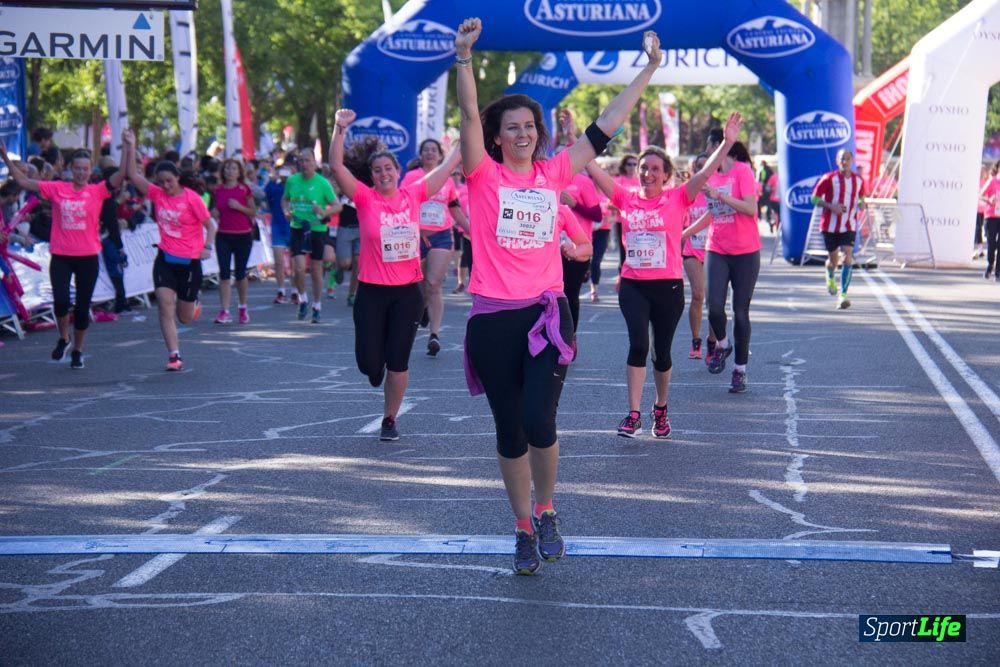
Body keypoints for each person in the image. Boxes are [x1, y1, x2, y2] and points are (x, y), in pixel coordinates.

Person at [455, 17, 647, 575]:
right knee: (509, 429)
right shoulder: (483, 176)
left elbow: (606, 124)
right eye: (511, 127)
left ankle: (546, 511)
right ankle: (520, 527)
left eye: (529, 126)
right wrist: (463, 57)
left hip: (546, 312)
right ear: (496, 137)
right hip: (493, 318)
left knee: (540, 418)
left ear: (539, 133)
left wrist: (649, 69)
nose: (522, 133)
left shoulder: (555, 172)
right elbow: (469, 114)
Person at [586, 118, 738, 438]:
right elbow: (592, 167)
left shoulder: (678, 198)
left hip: (667, 287)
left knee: (662, 353)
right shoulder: (625, 197)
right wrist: (578, 137)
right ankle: (633, 413)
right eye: (644, 167)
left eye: (655, 168)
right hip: (633, 286)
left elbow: (705, 173)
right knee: (639, 344)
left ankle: (661, 407)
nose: (648, 173)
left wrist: (726, 143)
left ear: (666, 174)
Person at [330, 109, 456, 441]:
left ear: (399, 172)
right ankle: (375, 369)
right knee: (370, 365)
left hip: (406, 293)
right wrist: (339, 129)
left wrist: (461, 141)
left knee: (398, 362)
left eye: (389, 168)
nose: (384, 173)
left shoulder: (413, 194)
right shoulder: (364, 198)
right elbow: (337, 167)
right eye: (377, 170)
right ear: (371, 176)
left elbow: (446, 168)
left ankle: (390, 419)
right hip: (371, 292)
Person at [1, 140, 125, 369]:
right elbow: (24, 181)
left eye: (85, 169)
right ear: (70, 168)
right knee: (60, 301)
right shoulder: (58, 188)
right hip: (61, 256)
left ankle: (77, 350)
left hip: (88, 257)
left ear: (90, 171)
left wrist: (127, 146)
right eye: (77, 168)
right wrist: (5, 156)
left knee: (81, 307)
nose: (81, 172)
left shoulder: (97, 191)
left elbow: (122, 174)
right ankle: (63, 338)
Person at [122, 129, 215, 371]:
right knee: (164, 304)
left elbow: (210, 226)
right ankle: (174, 355)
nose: (165, 186)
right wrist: (130, 146)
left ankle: (193, 302)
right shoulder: (156, 194)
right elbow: (132, 174)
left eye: (169, 181)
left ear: (177, 178)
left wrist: (207, 247)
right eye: (161, 182)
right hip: (165, 257)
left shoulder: (192, 199)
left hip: (190, 261)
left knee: (185, 317)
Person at [701, 131, 761, 393]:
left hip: (746, 251)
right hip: (717, 247)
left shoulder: (742, 171)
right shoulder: (707, 174)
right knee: (713, 307)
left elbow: (751, 209)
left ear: (720, 146)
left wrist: (720, 196)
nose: (709, 154)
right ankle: (723, 344)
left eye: (710, 147)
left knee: (740, 312)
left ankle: (740, 370)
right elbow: (703, 210)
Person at [400, 138, 468, 356]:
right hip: (415, 236)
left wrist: (474, 231)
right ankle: (423, 308)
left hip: (441, 236)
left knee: (434, 283)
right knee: (417, 285)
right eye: (425, 150)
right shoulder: (411, 177)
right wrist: (415, 229)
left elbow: (455, 209)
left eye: (434, 150)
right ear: (420, 155)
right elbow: (401, 203)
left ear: (440, 155)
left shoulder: (447, 180)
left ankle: (434, 335)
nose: (430, 153)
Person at [283, 150, 340, 323]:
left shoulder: (322, 183)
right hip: (298, 227)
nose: (304, 164)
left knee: (316, 269)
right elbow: (285, 199)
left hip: (317, 229)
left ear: (315, 163)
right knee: (298, 269)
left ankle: (316, 305)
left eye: (307, 160)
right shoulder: (292, 180)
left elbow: (337, 206)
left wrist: (323, 211)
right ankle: (303, 299)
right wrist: (286, 210)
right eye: (301, 161)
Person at [812, 149, 866, 309]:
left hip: (849, 225)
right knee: (833, 261)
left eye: (848, 159)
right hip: (829, 226)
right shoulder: (829, 178)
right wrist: (831, 206)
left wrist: (863, 203)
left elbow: (862, 196)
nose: (845, 162)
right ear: (837, 161)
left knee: (848, 257)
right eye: (842, 159)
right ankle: (830, 275)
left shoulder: (859, 181)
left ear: (853, 161)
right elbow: (814, 198)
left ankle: (843, 295)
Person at [212, 159, 257, 324]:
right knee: (224, 274)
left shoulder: (244, 189)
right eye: (227, 168)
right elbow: (215, 209)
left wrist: (239, 207)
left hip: (243, 235)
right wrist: (214, 212)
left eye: (233, 168)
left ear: (239, 172)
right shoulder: (218, 190)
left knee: (240, 274)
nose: (230, 171)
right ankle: (224, 311)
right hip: (223, 235)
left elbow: (253, 212)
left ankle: (243, 307)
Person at [680, 153, 715, 361]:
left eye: (707, 166)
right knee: (698, 295)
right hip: (692, 250)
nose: (704, 171)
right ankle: (696, 339)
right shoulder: (688, 193)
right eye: (700, 167)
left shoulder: (718, 191)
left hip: (715, 250)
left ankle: (712, 341)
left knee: (714, 301)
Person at [265, 162, 294, 303]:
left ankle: (295, 290)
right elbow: (266, 195)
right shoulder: (274, 187)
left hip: (293, 227)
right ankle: (281, 290)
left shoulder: (295, 186)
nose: (284, 175)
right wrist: (272, 179)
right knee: (278, 261)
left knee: (295, 262)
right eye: (282, 172)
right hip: (277, 226)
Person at [981, 162, 1000, 281]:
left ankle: (998, 271)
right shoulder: (992, 181)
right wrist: (990, 199)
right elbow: (981, 195)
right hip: (991, 216)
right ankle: (990, 265)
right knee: (992, 244)